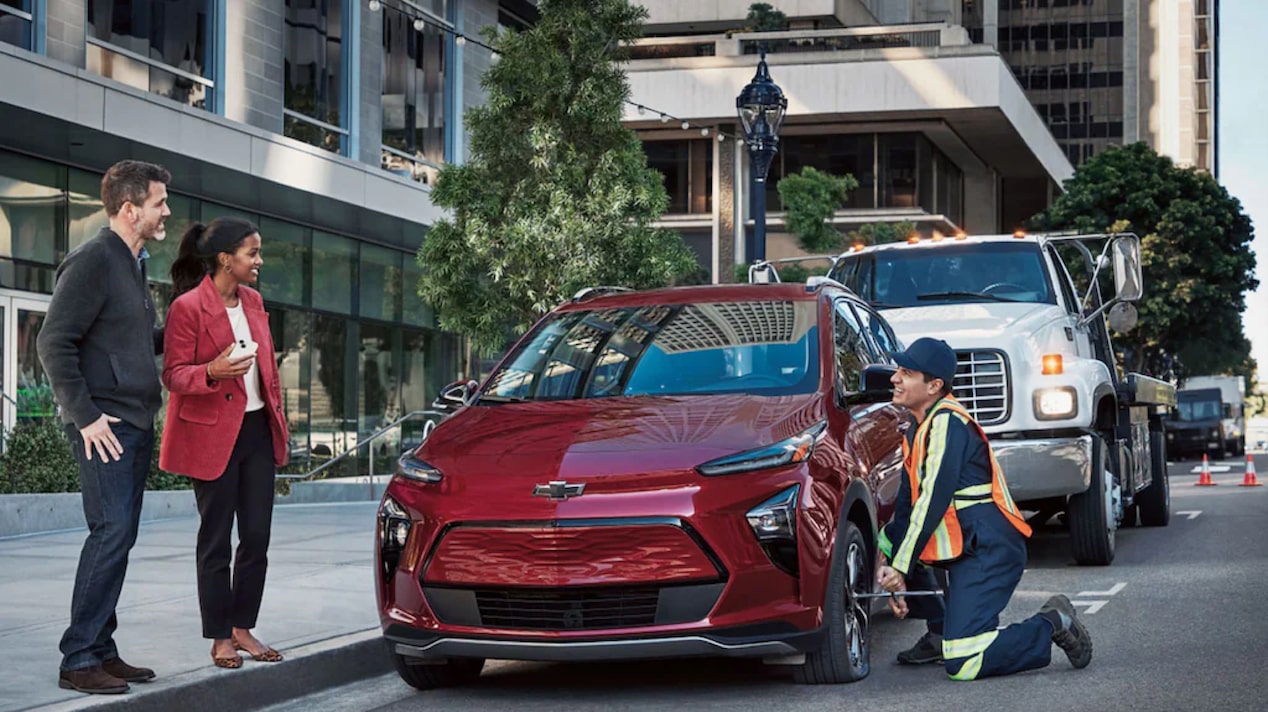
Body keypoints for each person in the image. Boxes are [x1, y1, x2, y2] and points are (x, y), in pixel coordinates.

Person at [876, 337, 1093, 681]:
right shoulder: (918, 429)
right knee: (891, 535)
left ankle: (1052, 622)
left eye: (906, 372)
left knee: (963, 662)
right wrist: (893, 568)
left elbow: (933, 500)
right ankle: (942, 631)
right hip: (966, 547)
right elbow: (907, 507)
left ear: (934, 386)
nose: (894, 378)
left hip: (988, 548)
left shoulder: (947, 422)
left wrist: (902, 567)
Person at [37, 160, 171, 695]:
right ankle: (79, 657)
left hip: (134, 420)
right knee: (110, 532)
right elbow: (53, 342)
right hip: (105, 424)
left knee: (122, 535)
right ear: (130, 207)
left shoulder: (132, 265)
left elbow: (137, 343)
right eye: (160, 202)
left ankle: (102, 648)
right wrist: (86, 416)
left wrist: (191, 323)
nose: (167, 211)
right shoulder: (93, 259)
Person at [160, 217, 290, 670]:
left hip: (256, 430)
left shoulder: (254, 301)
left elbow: (267, 368)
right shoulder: (188, 308)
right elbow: (173, 374)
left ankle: (242, 627)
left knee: (256, 537)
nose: (258, 261)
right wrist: (212, 372)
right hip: (211, 435)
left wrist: (279, 419)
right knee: (215, 539)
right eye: (251, 253)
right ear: (224, 259)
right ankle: (220, 637)